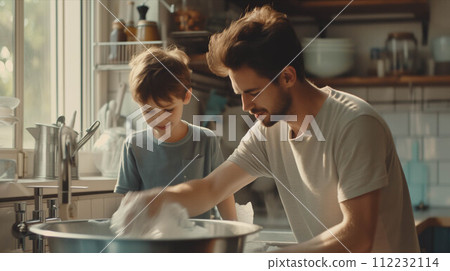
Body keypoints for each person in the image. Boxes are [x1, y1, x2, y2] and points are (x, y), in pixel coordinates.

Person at [124, 6, 419, 252]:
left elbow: (357, 237)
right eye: (239, 93)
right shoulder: (269, 130)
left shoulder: (354, 125)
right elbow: (212, 188)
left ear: (287, 76)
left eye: (251, 92)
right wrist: (156, 200)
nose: (244, 105)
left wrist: (273, 258)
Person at [114, 47, 237, 221]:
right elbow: (127, 204)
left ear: (187, 97)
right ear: (137, 102)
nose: (159, 119)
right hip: (153, 243)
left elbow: (222, 191)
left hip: (198, 241)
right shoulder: (133, 146)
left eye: (168, 109)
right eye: (149, 111)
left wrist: (235, 233)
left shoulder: (205, 140)